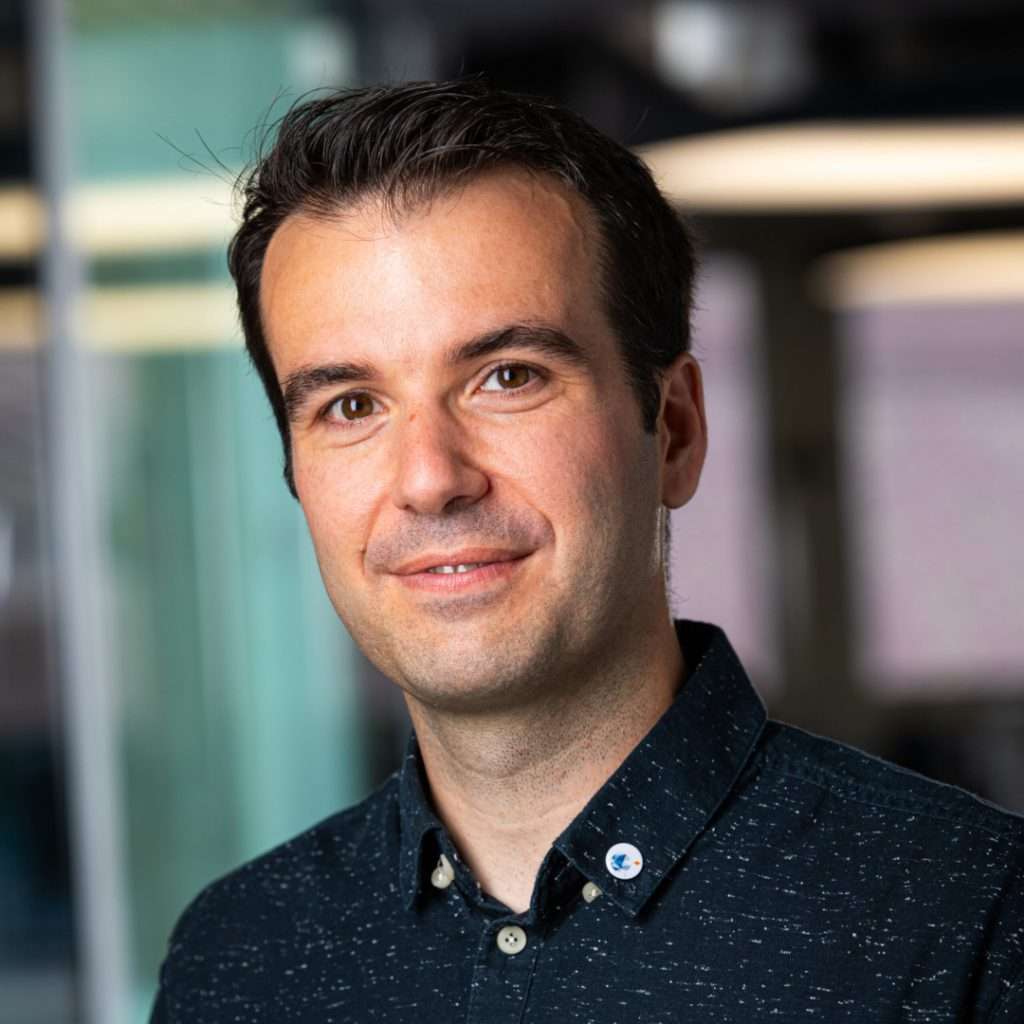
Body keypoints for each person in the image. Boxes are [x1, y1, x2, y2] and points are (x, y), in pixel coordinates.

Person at [151, 79, 1023, 1022]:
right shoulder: (238, 961)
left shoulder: (968, 923)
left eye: (507, 377)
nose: (431, 478)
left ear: (674, 430)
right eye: (351, 405)